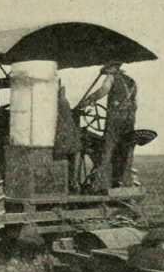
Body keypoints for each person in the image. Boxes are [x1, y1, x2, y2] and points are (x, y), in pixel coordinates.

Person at [80, 61, 138, 191]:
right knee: (125, 148)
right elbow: (135, 103)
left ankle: (101, 185)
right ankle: (122, 181)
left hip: (115, 118)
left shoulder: (111, 78)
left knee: (108, 148)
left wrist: (89, 99)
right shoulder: (132, 81)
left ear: (112, 68)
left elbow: (103, 91)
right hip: (129, 118)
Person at [54, 84, 82, 192]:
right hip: (71, 141)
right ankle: (74, 181)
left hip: (62, 141)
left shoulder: (58, 106)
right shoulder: (64, 104)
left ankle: (63, 184)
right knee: (76, 153)